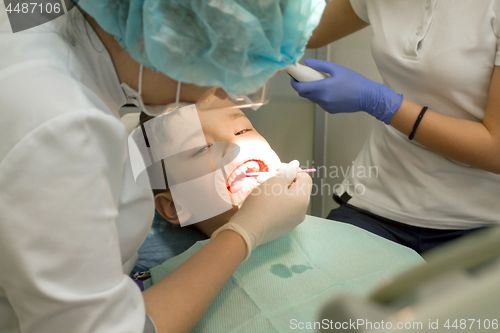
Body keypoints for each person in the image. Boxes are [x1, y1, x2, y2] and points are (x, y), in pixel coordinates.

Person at [0, 0, 323, 332]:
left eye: (243, 129)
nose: (222, 91)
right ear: (169, 37)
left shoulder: (41, 13)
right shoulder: (59, 127)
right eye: (220, 67)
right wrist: (244, 231)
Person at [291, 0, 500, 254]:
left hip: (480, 222)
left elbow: (495, 149)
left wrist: (383, 104)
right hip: (375, 202)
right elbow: (304, 30)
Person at [131, 106, 290, 276]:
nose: (234, 146)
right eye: (201, 148)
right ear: (176, 206)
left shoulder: (321, 238)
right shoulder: (173, 286)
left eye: (242, 131)